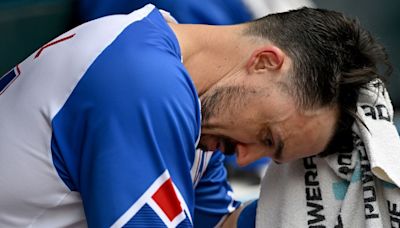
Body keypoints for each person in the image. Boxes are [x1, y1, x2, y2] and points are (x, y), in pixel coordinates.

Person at [0, 4, 391, 228]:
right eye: (268, 137)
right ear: (266, 63)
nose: (243, 158)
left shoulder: (188, 93)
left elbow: (213, 226)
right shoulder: (146, 83)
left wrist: (308, 209)